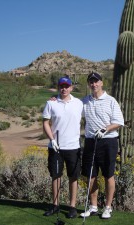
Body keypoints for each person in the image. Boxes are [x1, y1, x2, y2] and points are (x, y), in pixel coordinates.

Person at [80, 72, 124, 219]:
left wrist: (105, 129)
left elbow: (119, 122)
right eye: (91, 82)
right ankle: (93, 207)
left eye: (96, 81)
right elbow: (71, 107)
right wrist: (56, 99)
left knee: (108, 175)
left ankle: (108, 207)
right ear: (89, 84)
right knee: (91, 175)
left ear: (101, 83)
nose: (94, 84)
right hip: (91, 141)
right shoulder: (85, 101)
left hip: (108, 142)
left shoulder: (111, 101)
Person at [42, 76, 83, 219]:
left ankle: (72, 207)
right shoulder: (51, 103)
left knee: (73, 177)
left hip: (73, 147)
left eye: (67, 86)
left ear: (71, 87)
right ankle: (55, 205)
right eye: (61, 86)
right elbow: (46, 123)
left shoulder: (79, 103)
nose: (64, 88)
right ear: (58, 87)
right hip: (56, 146)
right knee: (56, 176)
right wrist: (51, 139)